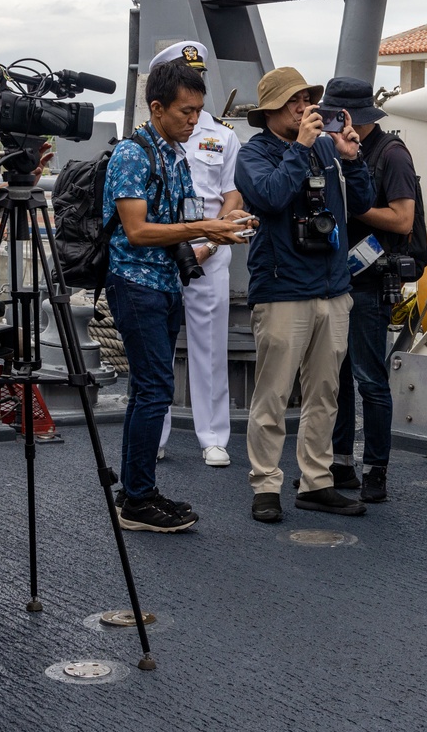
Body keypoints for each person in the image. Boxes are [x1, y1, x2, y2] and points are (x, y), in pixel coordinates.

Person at [103, 61, 254, 533]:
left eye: (198, 111)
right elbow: (137, 230)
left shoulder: (173, 153)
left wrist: (222, 231)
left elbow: (184, 221)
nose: (195, 120)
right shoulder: (133, 155)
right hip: (137, 283)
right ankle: (139, 499)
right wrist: (206, 227)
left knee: (145, 391)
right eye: (186, 112)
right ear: (156, 108)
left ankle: (135, 491)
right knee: (154, 390)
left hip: (165, 283)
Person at [236, 67, 374, 524]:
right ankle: (265, 483)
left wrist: (352, 158)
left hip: (332, 288)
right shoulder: (253, 154)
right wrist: (299, 149)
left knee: (326, 393)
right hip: (282, 290)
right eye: (294, 102)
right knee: (273, 394)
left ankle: (316, 482)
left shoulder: (324, 148)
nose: (304, 108)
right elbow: (271, 198)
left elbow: (363, 202)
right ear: (270, 111)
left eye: (307, 99)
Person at [320, 77, 415, 503]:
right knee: (336, 378)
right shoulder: (331, 147)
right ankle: (340, 461)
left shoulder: (391, 155)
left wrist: (356, 205)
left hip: (370, 279)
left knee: (369, 378)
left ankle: (376, 467)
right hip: (336, 277)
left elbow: (403, 221)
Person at [150, 41, 243, 468]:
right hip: (161, 251)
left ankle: (213, 436)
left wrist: (208, 243)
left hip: (210, 251)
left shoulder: (222, 136)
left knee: (209, 346)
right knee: (156, 347)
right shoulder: (148, 139)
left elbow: (232, 194)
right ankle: (156, 433)